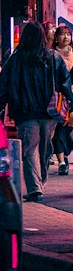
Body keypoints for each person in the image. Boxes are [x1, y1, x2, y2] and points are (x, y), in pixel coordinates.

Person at [0, 21, 73, 201]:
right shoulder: (53, 57)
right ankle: (38, 186)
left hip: (25, 114)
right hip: (49, 113)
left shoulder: (15, 60)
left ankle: (36, 187)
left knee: (30, 150)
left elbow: (3, 88)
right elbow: (65, 82)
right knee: (45, 149)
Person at [52, 25, 73, 175]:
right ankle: (61, 162)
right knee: (59, 128)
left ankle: (65, 155)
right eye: (62, 34)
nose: (65, 37)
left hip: (72, 96)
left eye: (68, 34)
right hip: (58, 97)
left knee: (69, 129)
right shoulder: (52, 55)